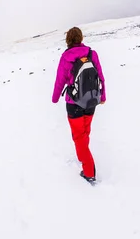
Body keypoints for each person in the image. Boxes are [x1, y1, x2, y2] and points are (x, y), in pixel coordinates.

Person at [52, 27, 106, 183]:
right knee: (85, 132)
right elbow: (101, 77)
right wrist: (103, 96)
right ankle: (83, 155)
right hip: (91, 100)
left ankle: (88, 170)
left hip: (74, 103)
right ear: (81, 38)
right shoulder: (91, 54)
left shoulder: (66, 57)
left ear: (68, 40)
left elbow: (60, 81)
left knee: (79, 136)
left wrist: (55, 98)